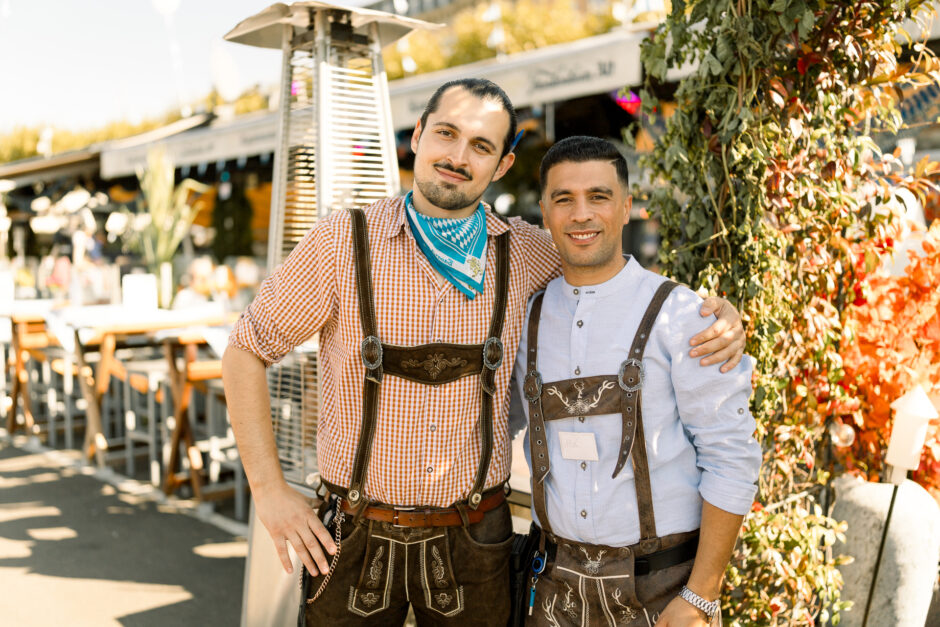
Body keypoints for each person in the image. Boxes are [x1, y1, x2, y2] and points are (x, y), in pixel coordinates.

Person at [222, 79, 745, 626]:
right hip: (353, 535)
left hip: (475, 541)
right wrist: (269, 489)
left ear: (501, 165)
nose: (457, 156)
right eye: (446, 133)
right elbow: (245, 351)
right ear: (418, 135)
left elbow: (616, 276)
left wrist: (713, 314)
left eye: (481, 146)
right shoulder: (342, 242)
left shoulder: (524, 251)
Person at [511, 136, 762, 626]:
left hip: (662, 590)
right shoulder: (525, 319)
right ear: (545, 212)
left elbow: (730, 455)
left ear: (627, 207)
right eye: (564, 199)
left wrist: (702, 595)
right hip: (552, 586)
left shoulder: (685, 316)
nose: (581, 214)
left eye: (599, 197)